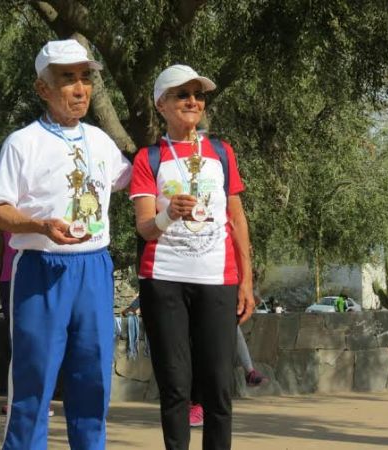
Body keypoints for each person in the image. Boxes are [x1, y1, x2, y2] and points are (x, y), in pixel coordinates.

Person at [0, 39, 131, 450]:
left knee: (93, 379)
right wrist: (39, 224)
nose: (80, 89)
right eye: (68, 79)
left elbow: (134, 181)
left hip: (95, 269)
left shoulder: (101, 141)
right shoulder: (22, 142)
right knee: (34, 383)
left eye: (86, 78)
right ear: (42, 88)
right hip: (42, 269)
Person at [130, 64, 255, 450]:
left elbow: (236, 218)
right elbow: (145, 228)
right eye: (182, 95)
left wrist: (246, 280)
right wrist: (171, 214)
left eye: (198, 95)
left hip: (217, 279)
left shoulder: (221, 152)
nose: (192, 101)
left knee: (218, 385)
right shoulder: (148, 158)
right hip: (163, 279)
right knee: (175, 385)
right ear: (161, 104)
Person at [0, 230, 54, 417]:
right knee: (16, 339)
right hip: (9, 279)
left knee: (37, 339)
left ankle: (41, 400)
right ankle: (17, 399)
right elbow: (0, 242)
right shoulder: (6, 206)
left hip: (36, 277)